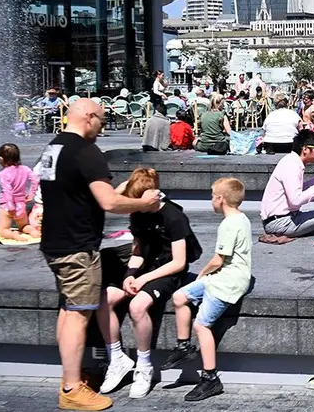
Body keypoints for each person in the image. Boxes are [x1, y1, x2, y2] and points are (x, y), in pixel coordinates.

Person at [36, 98, 160, 410]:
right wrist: (144, 205)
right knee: (79, 315)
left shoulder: (53, 147)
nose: (102, 129)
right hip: (78, 247)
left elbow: (75, 193)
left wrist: (118, 190)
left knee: (68, 311)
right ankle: (72, 389)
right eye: (103, 122)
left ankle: (71, 376)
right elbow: (107, 203)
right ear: (89, 117)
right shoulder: (87, 151)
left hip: (54, 243)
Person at [97, 168, 199, 399]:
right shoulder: (138, 212)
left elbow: (179, 262)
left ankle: (143, 366)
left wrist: (143, 278)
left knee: (137, 306)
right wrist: (130, 274)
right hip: (146, 268)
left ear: (153, 196)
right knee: (105, 300)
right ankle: (117, 358)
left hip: (168, 270)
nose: (135, 208)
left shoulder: (173, 216)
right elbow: (138, 250)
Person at [164, 178, 252, 401]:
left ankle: (211, 378)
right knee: (180, 296)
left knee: (202, 325)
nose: (211, 200)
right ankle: (183, 347)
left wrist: (202, 274)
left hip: (227, 282)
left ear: (221, 199)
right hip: (225, 277)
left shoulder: (229, 224)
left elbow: (217, 260)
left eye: (212, 196)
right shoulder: (241, 218)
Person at [259, 129, 314, 238]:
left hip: (284, 219)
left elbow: (297, 190)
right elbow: (296, 200)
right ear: (305, 149)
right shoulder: (292, 165)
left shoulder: (292, 161)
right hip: (280, 222)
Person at [0, 143, 40, 240]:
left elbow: (7, 191)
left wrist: (10, 207)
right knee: (24, 226)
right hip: (21, 204)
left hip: (7, 206)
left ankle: (14, 235)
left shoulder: (3, 174)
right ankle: (33, 232)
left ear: (1, 159)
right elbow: (36, 180)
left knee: (3, 230)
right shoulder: (25, 169)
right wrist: (30, 195)